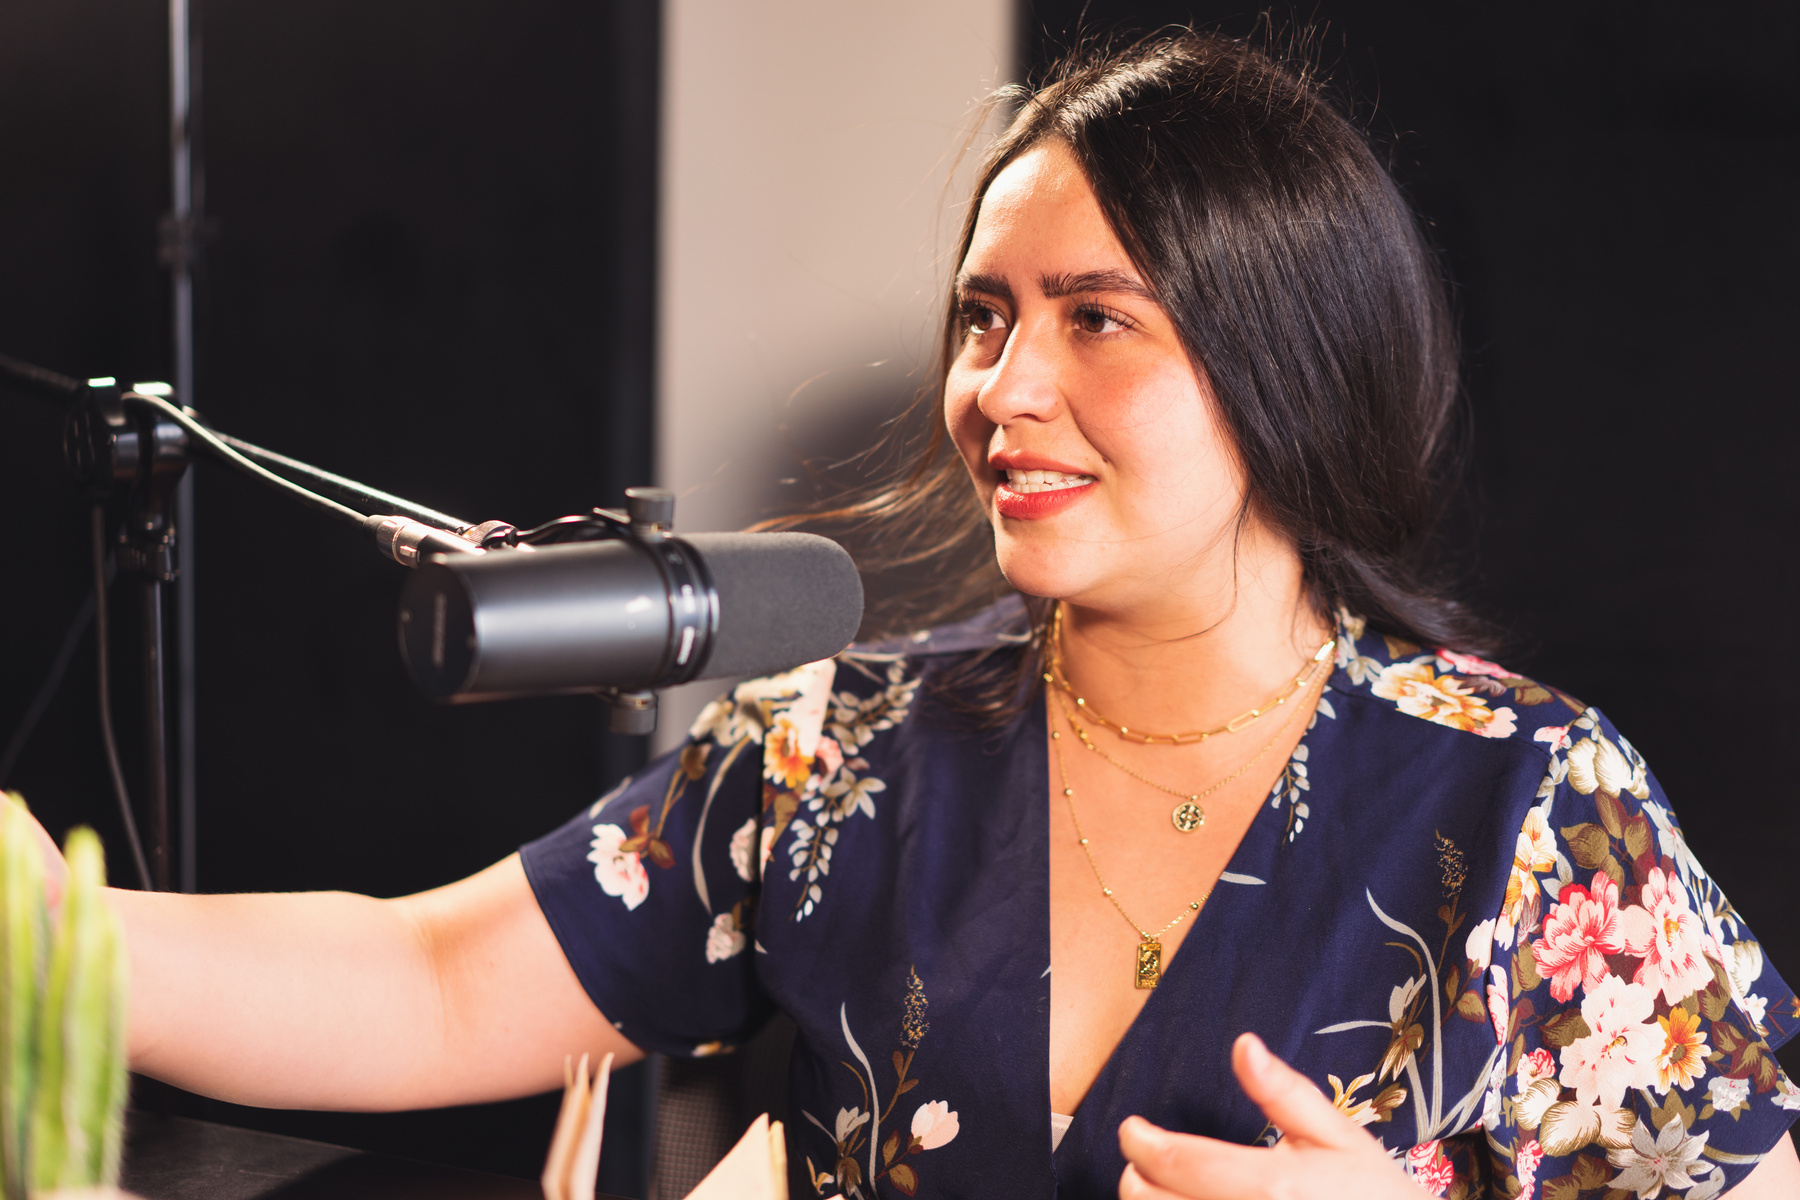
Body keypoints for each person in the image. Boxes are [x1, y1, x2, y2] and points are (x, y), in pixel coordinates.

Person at [33, 30, 1800, 1200]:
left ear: (1287, 364)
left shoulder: (1532, 802)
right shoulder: (838, 749)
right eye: (983, 316)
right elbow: (431, 981)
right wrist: (51, 931)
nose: (1001, 389)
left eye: (1094, 318)